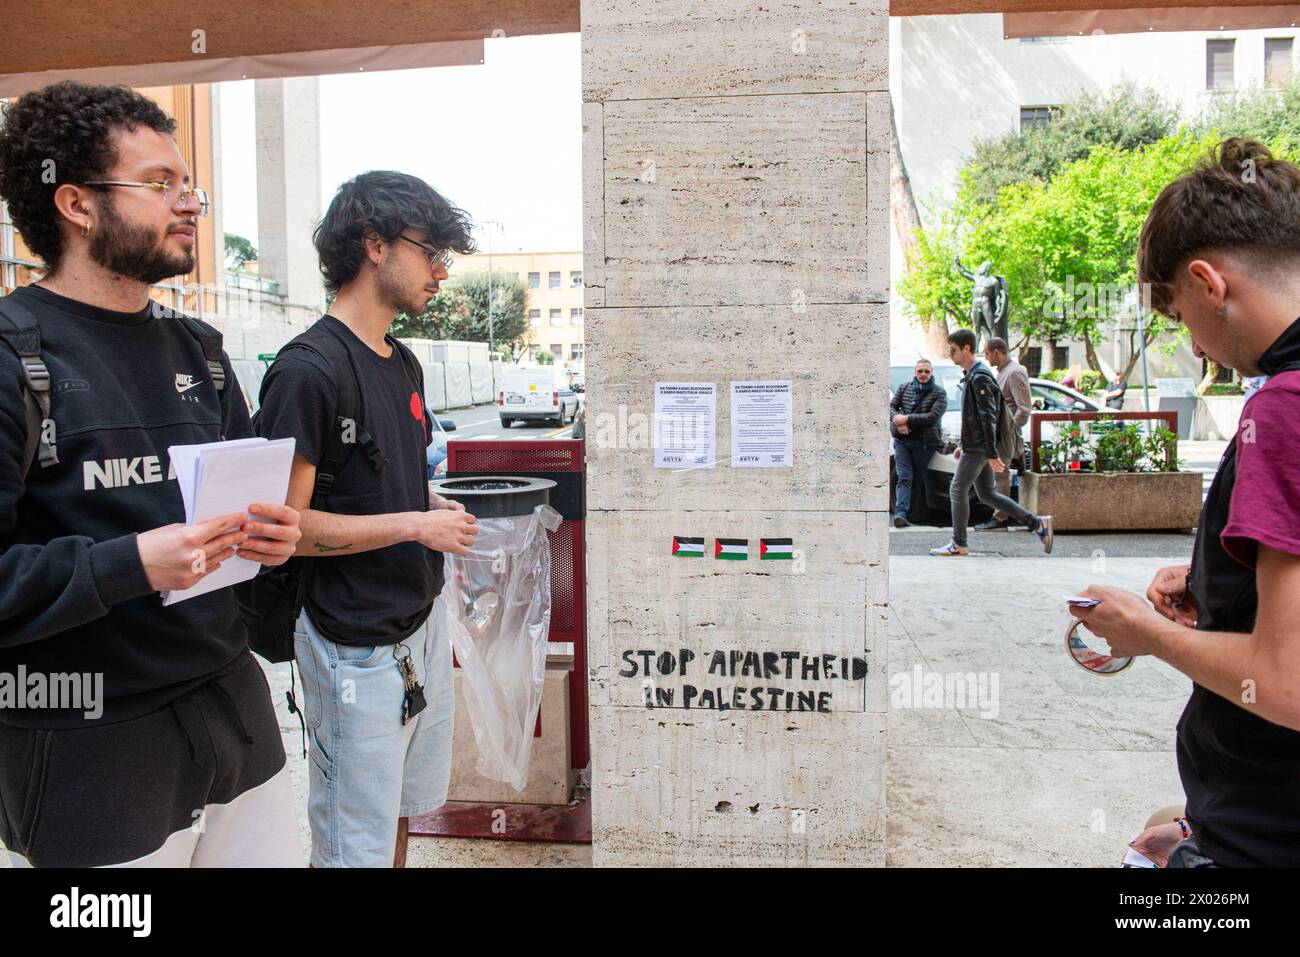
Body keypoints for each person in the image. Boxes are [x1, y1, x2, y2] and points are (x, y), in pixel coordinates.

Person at [0, 81, 303, 867]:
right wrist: (129, 564)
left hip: (237, 726)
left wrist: (274, 535)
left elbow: (248, 514)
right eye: (159, 184)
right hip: (88, 756)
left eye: (187, 183)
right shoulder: (13, 356)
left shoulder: (198, 348)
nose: (190, 202)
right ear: (75, 203)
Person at [1072, 139, 1300, 867]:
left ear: (1208, 283)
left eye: (1178, 317)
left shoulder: (1283, 412)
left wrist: (1146, 632)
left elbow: (1288, 681)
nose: (1195, 346)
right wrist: (1219, 585)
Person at [255, 171, 481, 868]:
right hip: (350, 644)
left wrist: (429, 506)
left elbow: (381, 485)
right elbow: (282, 528)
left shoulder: (402, 362)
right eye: (431, 250)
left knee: (401, 815)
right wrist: (415, 525)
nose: (442, 271)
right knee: (355, 843)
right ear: (375, 244)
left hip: (418, 625)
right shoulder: (308, 371)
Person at [929, 329, 1053, 557]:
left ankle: (959, 543)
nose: (950, 355)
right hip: (975, 446)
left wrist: (990, 452)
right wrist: (964, 444)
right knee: (987, 494)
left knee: (957, 489)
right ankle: (1037, 524)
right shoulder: (974, 375)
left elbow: (988, 417)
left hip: (979, 448)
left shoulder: (980, 377)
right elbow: (976, 418)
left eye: (953, 350)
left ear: (966, 349)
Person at [975, 337, 1031, 530]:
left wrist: (1010, 432)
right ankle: (1000, 515)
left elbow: (1023, 408)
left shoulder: (1015, 372)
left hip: (1004, 435)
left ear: (996, 352)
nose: (986, 357)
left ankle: (1001, 518)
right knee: (995, 476)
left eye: (987, 353)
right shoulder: (1002, 372)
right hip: (997, 433)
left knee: (1000, 476)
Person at [889, 358, 947, 527]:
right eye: (920, 371)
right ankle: (901, 514)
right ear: (915, 372)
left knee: (918, 479)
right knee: (904, 477)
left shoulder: (939, 393)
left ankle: (912, 515)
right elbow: (891, 407)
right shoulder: (903, 388)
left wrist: (906, 420)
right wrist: (896, 420)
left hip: (924, 443)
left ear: (931, 373)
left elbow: (932, 417)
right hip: (903, 442)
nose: (923, 374)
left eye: (926, 371)